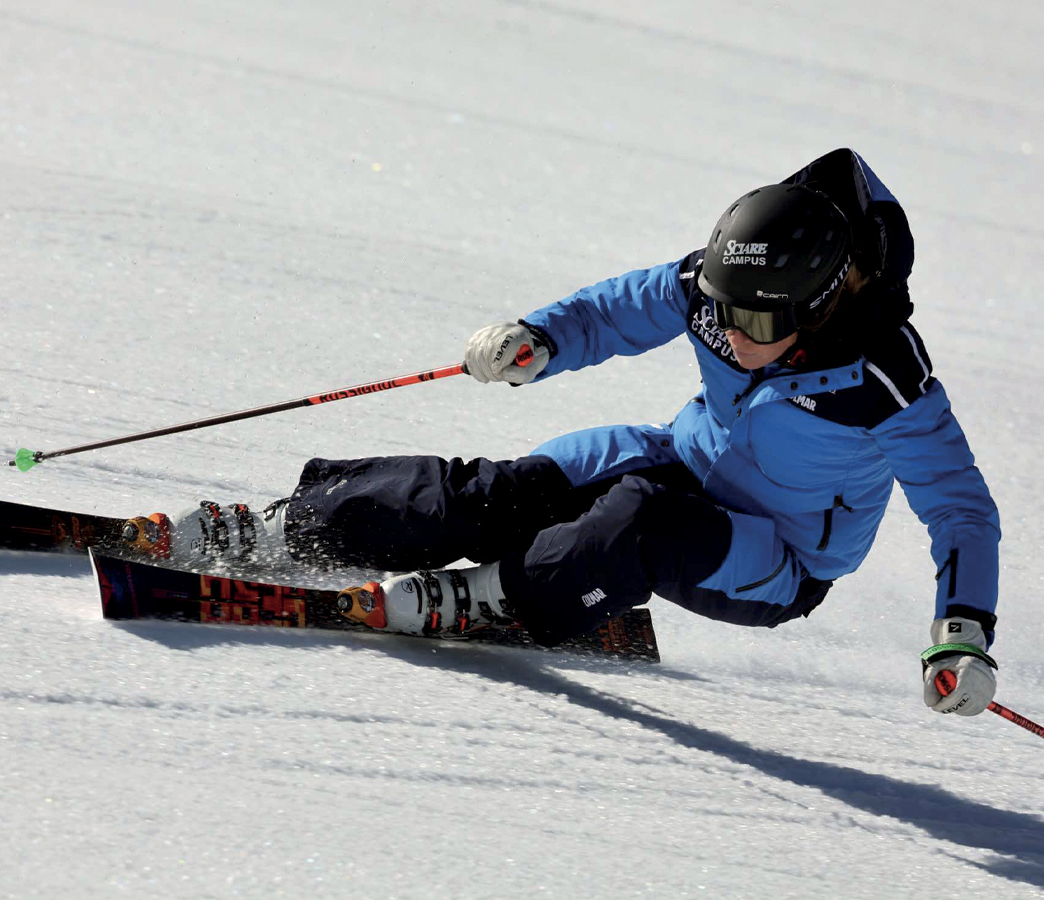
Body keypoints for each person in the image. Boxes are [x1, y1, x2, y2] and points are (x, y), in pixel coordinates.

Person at [145, 148, 1001, 718]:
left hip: (775, 559)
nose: (730, 333)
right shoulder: (716, 287)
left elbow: (959, 509)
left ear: (819, 305)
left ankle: (501, 599)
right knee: (510, 491)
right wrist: (540, 338)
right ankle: (291, 525)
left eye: (756, 321)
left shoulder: (887, 378)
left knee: (637, 521)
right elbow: (618, 310)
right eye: (723, 308)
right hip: (682, 458)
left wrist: (961, 631)